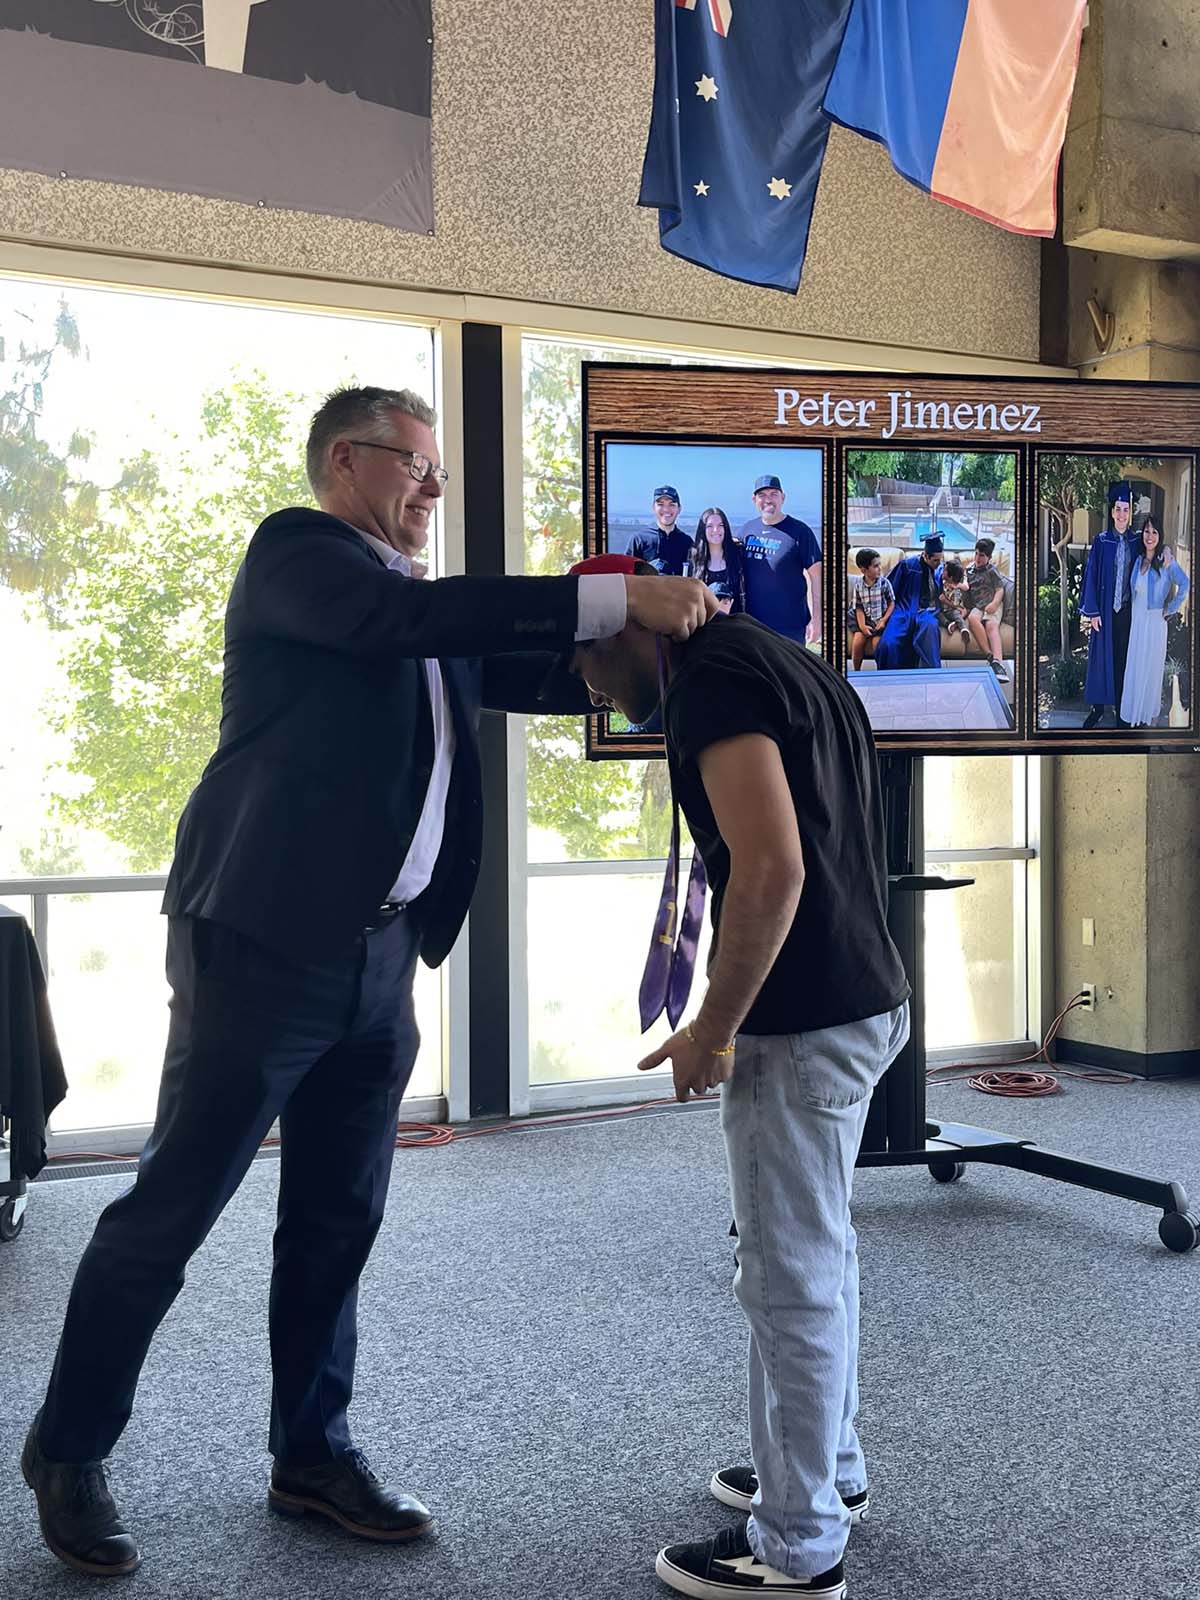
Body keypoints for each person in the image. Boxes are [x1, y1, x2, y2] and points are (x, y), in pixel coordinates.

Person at [20, 388, 717, 1579]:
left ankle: (311, 1456)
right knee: (171, 1211)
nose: (435, 490)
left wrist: (677, 653)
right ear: (346, 461)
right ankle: (70, 1449)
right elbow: (413, 622)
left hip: (380, 956)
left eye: (441, 473)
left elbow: (538, 667)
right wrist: (609, 593)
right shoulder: (301, 556)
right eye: (420, 468)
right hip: (264, 946)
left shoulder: (412, 607)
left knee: (338, 1219)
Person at [568, 554, 910, 1600]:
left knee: (787, 1275)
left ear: (627, 629)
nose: (584, 685)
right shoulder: (777, 656)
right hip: (867, 995)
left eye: (581, 658)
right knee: (820, 1255)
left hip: (798, 1022)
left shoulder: (712, 686)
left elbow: (770, 868)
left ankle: (799, 1546)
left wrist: (714, 1025)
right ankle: (826, 1472)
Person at [1119, 515, 1190, 728]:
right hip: (1137, 623)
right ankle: (1133, 715)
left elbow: (1185, 584)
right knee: (1135, 668)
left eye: (1154, 532)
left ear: (1160, 536)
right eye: (1147, 531)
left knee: (1151, 671)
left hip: (1155, 624)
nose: (1150, 536)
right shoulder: (1139, 559)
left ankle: (1149, 719)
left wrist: (1171, 608)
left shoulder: (1166, 562)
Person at [1079, 480, 1139, 729]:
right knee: (1100, 660)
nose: (1122, 514)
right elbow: (1091, 574)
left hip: (1127, 612)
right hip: (1104, 611)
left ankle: (1120, 711)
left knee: (1123, 660)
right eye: (1118, 509)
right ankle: (1098, 708)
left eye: (1126, 509)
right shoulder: (1102, 541)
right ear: (1112, 512)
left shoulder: (1136, 542)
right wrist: (1092, 611)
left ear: (1130, 512)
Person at [737, 473, 823, 645]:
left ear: (783, 497)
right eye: (762, 495)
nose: (768, 500)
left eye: (773, 494)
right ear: (754, 499)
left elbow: (817, 577)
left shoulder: (800, 531)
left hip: (790, 627)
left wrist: (817, 619)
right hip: (753, 625)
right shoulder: (746, 531)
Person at [874, 534, 944, 670]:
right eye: (935, 560)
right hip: (904, 609)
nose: (938, 563)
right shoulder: (907, 566)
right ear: (926, 555)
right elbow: (889, 589)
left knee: (930, 626)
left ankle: (932, 675)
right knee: (889, 643)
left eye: (940, 560)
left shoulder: (940, 570)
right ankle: (891, 679)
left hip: (926, 611)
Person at [963, 538, 1009, 683]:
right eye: (976, 554)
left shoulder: (992, 571)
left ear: (989, 557)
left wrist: (995, 603)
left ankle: (999, 663)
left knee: (990, 624)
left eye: (982, 555)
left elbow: (1000, 589)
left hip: (992, 604)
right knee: (972, 619)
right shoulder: (969, 570)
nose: (978, 558)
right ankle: (990, 656)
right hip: (978, 606)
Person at [687, 506, 747, 613]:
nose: (716, 530)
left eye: (720, 525)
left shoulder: (738, 554)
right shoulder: (693, 558)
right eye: (710, 526)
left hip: (735, 623)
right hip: (705, 625)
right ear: (703, 529)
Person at [627, 484, 693, 575]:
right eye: (660, 504)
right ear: (653, 508)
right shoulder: (639, 540)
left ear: (679, 509)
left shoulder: (686, 542)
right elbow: (628, 577)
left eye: (672, 504)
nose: (666, 509)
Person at [847, 548, 895, 671]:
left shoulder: (885, 583)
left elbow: (891, 604)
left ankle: (880, 671)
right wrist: (862, 626)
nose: (880, 568)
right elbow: (859, 608)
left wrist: (883, 620)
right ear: (864, 570)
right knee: (858, 642)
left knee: (877, 644)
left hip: (880, 619)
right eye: (875, 566)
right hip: (864, 619)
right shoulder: (858, 585)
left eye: (880, 564)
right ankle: (856, 671)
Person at [936, 558, 970, 638]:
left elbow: (956, 605)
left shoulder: (956, 589)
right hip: (942, 610)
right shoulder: (943, 582)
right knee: (937, 614)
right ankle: (949, 624)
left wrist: (945, 601)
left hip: (952, 610)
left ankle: (963, 629)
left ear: (950, 577)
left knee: (957, 615)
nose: (942, 571)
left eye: (944, 570)